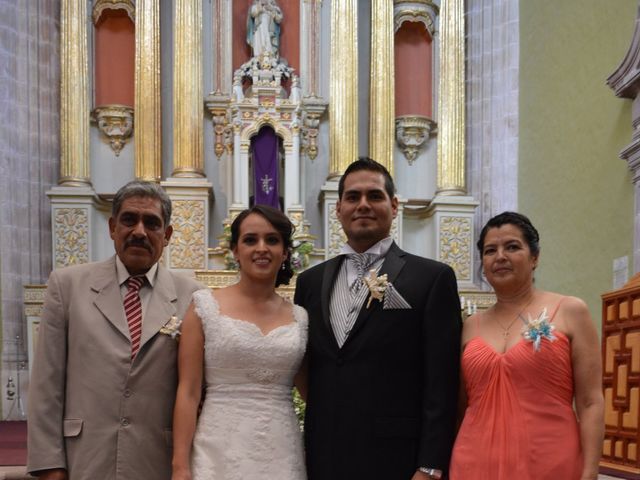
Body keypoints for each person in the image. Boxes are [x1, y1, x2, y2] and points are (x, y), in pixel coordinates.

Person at [294, 157, 462, 480]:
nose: (363, 205)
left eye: (374, 196)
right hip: (325, 454)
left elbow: (441, 383)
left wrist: (429, 465)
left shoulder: (431, 278)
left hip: (397, 458)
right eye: (353, 197)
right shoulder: (310, 283)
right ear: (339, 209)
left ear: (394, 205)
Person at [26, 181, 203, 480]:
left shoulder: (193, 297)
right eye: (129, 220)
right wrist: (49, 465)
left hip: (157, 461)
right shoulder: (67, 286)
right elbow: (47, 384)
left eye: (152, 223)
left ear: (168, 235)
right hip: (85, 457)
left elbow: (198, 390)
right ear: (112, 227)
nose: (139, 232)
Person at [449, 211, 604, 480]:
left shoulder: (569, 311)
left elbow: (590, 402)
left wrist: (590, 472)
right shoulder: (469, 325)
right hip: (473, 460)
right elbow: (460, 406)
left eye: (512, 247)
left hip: (549, 460)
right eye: (490, 250)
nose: (500, 257)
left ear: (535, 257)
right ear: (483, 264)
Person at [172, 205, 307, 480]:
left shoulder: (300, 317)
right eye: (250, 240)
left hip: (282, 451)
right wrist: (180, 466)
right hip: (218, 450)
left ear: (284, 251)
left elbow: (312, 393)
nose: (261, 248)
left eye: (272, 240)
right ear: (235, 250)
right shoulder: (204, 306)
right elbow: (188, 392)